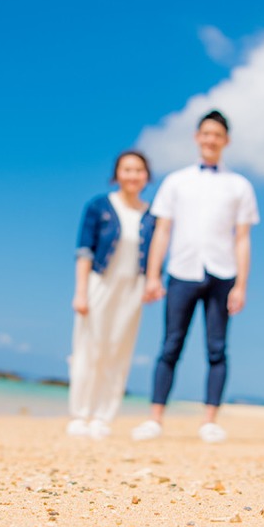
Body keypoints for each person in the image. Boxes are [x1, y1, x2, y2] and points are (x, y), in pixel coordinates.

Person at [134, 109, 259, 443]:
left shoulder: (239, 186)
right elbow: (162, 230)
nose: (211, 140)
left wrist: (242, 285)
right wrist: (152, 275)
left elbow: (243, 237)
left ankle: (210, 421)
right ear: (196, 137)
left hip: (223, 273)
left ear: (226, 141)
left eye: (217, 134)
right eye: (206, 133)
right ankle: (155, 419)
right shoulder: (177, 181)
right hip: (182, 270)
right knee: (170, 345)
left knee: (217, 348)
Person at [66, 150, 156, 439]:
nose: (133, 176)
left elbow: (156, 255)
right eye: (127, 170)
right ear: (117, 174)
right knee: (88, 348)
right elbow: (84, 251)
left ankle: (104, 416)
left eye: (138, 170)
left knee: (119, 351)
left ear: (147, 176)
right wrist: (80, 292)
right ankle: (80, 414)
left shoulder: (152, 215)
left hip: (133, 288)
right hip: (99, 284)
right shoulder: (99, 206)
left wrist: (154, 282)